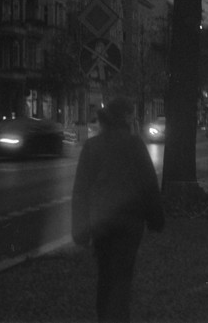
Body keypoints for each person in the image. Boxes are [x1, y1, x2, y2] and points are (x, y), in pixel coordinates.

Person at [72, 97, 165, 322]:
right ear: (125, 118)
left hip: (102, 223)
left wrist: (80, 229)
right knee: (123, 276)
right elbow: (148, 185)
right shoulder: (135, 145)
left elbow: (81, 190)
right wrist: (155, 219)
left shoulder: (92, 146)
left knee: (105, 275)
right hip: (129, 223)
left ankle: (105, 317)